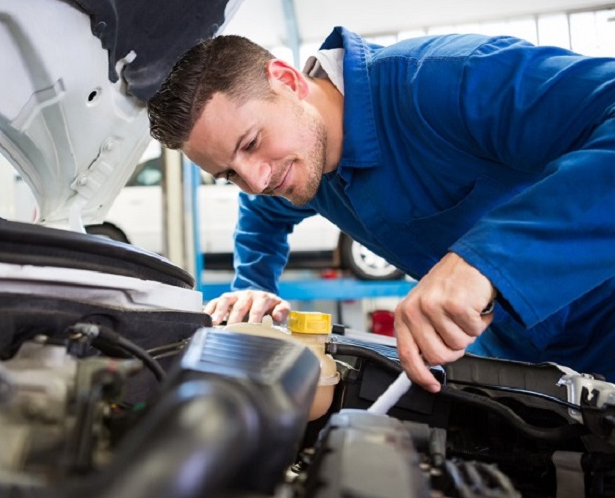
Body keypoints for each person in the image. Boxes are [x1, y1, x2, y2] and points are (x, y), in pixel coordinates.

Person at [146, 27, 615, 392]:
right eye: (228, 174)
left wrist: (487, 259)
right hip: (517, 360)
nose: (256, 180)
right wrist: (254, 286)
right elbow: (262, 214)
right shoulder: (298, 165)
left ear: (287, 81)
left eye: (251, 143)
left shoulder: (447, 79)